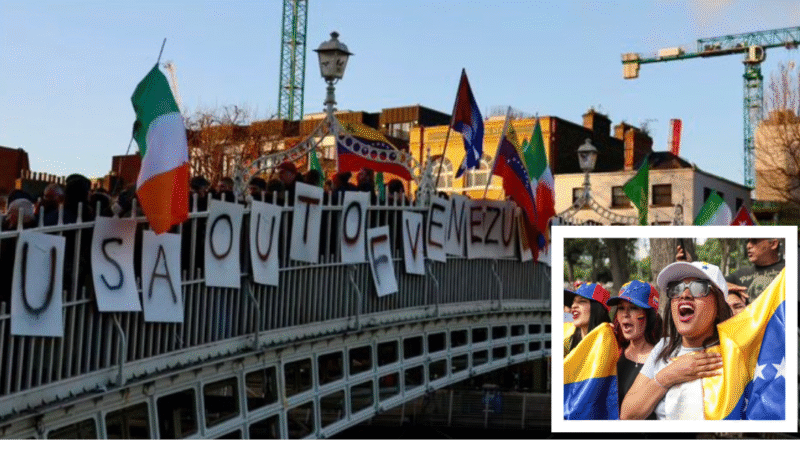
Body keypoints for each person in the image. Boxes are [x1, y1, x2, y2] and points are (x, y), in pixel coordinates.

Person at [620, 261, 730, 420]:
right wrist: (669, 375)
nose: (684, 295)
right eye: (676, 289)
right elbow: (627, 414)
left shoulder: (733, 351)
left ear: (720, 306)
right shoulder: (663, 347)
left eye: (699, 287)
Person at [608, 280, 661, 419]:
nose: (625, 314)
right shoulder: (613, 353)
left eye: (633, 307)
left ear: (650, 316)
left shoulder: (663, 358)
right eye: (620, 308)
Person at [726, 238, 784, 314]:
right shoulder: (739, 274)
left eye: (754, 241)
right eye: (748, 241)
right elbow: (711, 283)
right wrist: (723, 285)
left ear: (773, 244)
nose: (748, 246)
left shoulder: (789, 270)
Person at [564, 283, 612, 355]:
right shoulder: (568, 342)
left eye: (582, 301)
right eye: (573, 302)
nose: (573, 306)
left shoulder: (610, 342)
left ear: (598, 309)